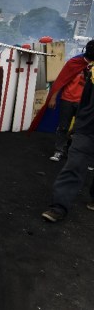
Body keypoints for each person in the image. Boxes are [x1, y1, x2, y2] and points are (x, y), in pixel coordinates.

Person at [41, 40, 94, 222]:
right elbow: (87, 100)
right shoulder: (87, 69)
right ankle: (58, 207)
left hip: (85, 123)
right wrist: (80, 123)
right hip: (86, 126)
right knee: (74, 165)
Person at [29, 44, 91, 161]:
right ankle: (59, 150)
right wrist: (53, 97)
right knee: (63, 126)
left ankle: (72, 150)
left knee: (80, 128)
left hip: (84, 102)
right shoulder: (74, 62)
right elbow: (61, 80)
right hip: (67, 99)